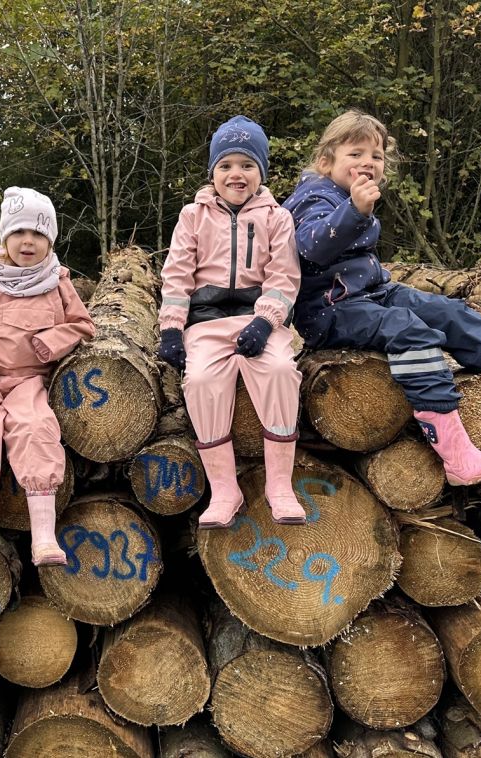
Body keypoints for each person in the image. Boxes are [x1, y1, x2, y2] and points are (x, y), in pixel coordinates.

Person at [282, 110, 481, 485]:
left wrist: (356, 208)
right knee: (407, 330)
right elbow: (308, 250)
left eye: (377, 156)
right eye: (355, 153)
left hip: (373, 294)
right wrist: (354, 211)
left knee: (450, 312)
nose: (368, 162)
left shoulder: (348, 195)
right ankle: (455, 453)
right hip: (329, 312)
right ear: (325, 162)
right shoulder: (311, 197)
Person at [157, 115, 306, 528]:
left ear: (261, 171)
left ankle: (280, 486)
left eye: (246, 165)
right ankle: (225, 489)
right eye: (225, 166)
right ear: (212, 173)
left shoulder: (277, 217)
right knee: (201, 381)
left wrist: (265, 321)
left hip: (258, 319)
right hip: (205, 322)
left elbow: (284, 275)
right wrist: (171, 327)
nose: (235, 174)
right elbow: (177, 273)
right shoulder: (193, 215)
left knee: (279, 369)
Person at [0, 187, 96, 581]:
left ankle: (43, 535)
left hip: (29, 380)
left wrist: (52, 342)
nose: (28, 242)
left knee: (35, 426)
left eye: (38, 235)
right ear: (5, 237)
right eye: (19, 233)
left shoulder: (58, 283)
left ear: (50, 241)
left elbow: (82, 325)